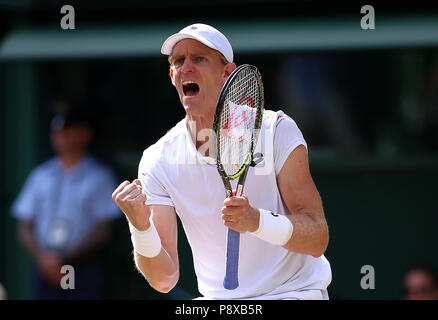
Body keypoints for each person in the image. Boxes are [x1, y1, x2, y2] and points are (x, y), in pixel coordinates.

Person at [112, 24, 331, 300]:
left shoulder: (276, 130)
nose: (186, 68)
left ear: (227, 73)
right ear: (172, 75)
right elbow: (164, 279)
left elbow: (317, 238)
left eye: (200, 59)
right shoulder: (158, 160)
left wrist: (256, 221)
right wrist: (140, 227)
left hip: (292, 293)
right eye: (179, 61)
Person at [11, 100, 121, 299]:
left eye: (68, 130)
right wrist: (45, 259)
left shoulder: (99, 176)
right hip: (44, 269)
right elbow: (24, 227)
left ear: (85, 134)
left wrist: (64, 259)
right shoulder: (40, 175)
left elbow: (103, 231)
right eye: (57, 131)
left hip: (82, 269)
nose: (60, 136)